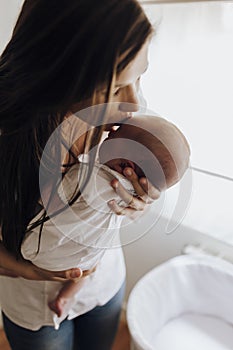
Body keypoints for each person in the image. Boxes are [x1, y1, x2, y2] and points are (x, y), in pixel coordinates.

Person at [0, 1, 162, 349]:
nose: (136, 104)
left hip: (103, 283)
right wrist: (27, 270)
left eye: (140, 77)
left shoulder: (120, 120)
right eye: (118, 87)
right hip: (35, 309)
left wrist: (139, 202)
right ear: (59, 73)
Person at [44, 114, 190, 319]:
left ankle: (66, 295)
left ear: (124, 165)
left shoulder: (91, 177)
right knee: (87, 266)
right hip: (88, 258)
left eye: (118, 131)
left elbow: (53, 195)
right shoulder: (118, 180)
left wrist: (144, 202)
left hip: (87, 265)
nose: (111, 131)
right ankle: (66, 296)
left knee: (83, 265)